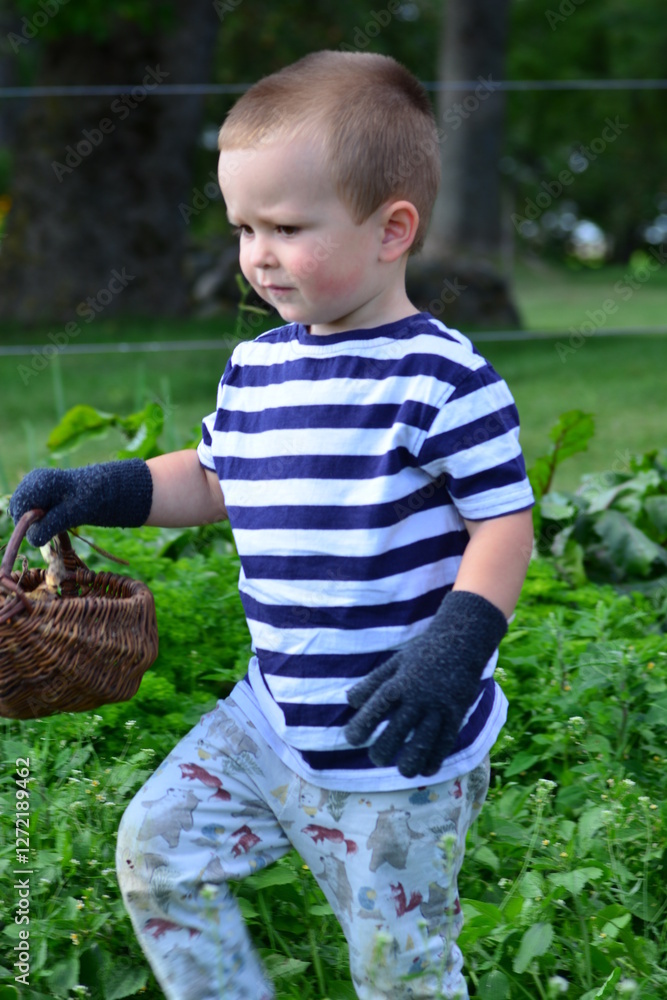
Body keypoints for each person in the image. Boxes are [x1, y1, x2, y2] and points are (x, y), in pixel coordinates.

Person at [10, 50, 534, 1000]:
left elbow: (504, 526)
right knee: (158, 852)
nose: (255, 253)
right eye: (242, 227)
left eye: (287, 227)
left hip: (395, 742)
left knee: (399, 970)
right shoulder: (257, 365)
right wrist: (108, 486)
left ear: (392, 230)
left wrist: (453, 649)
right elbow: (214, 479)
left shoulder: (443, 379)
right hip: (270, 722)